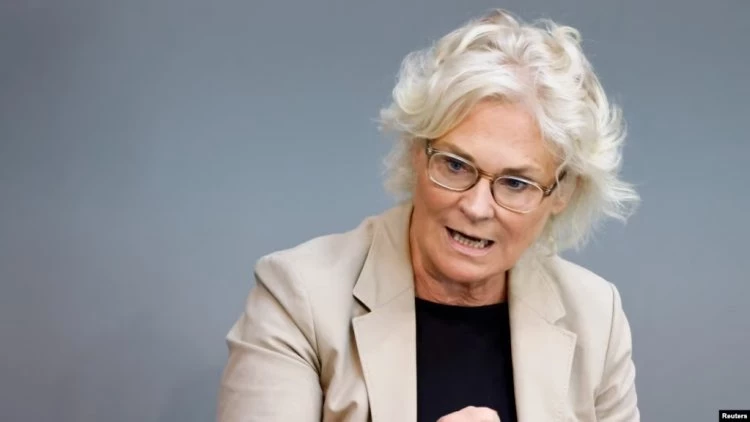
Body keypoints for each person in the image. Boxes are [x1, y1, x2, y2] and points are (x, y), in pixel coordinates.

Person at [217, 8, 641, 422]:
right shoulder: (301, 297)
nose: (476, 207)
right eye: (455, 165)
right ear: (415, 152)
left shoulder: (595, 315)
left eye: (515, 183)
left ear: (561, 192)